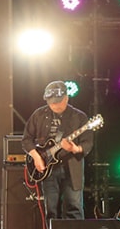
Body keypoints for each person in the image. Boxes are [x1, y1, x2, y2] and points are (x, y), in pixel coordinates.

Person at [21, 80, 93, 221]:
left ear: (66, 98)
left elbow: (88, 143)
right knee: (51, 210)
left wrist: (74, 148)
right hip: (48, 170)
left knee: (74, 207)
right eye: (51, 102)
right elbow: (26, 139)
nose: (55, 105)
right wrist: (36, 157)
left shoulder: (79, 117)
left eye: (58, 102)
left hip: (72, 167)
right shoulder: (39, 115)